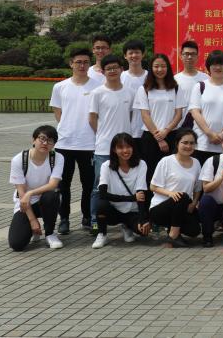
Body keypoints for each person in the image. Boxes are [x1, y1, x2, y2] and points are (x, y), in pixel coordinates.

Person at [49, 47, 102, 235]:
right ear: (71, 63)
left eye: (86, 62)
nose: (82, 65)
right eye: (78, 62)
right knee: (63, 185)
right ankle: (64, 219)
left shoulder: (98, 86)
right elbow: (58, 113)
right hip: (65, 143)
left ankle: (87, 217)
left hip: (89, 143)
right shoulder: (60, 87)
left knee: (89, 184)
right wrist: (68, 127)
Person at [89, 54, 136, 233]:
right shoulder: (97, 93)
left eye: (115, 67)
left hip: (125, 149)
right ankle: (95, 220)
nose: (112, 71)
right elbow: (92, 119)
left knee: (125, 185)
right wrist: (103, 135)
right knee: (98, 186)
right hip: (103, 148)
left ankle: (126, 221)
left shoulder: (130, 92)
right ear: (103, 72)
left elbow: (130, 116)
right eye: (108, 69)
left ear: (121, 69)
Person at [8, 126, 64, 251]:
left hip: (46, 200)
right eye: (42, 138)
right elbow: (22, 194)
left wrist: (31, 193)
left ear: (54, 144)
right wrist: (33, 221)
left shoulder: (57, 158)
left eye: (50, 141)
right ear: (33, 140)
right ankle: (33, 231)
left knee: (51, 195)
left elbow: (53, 184)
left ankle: (50, 234)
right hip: (25, 203)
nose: (45, 143)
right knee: (16, 244)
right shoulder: (19, 160)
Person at [134, 53, 185, 190]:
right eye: (156, 66)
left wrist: (166, 131)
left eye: (163, 66)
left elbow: (179, 114)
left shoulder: (176, 88)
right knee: (150, 173)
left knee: (171, 174)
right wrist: (159, 138)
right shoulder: (144, 89)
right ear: (151, 68)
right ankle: (150, 202)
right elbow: (145, 115)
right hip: (150, 138)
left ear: (168, 68)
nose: (160, 69)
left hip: (172, 135)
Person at [92, 133, 150, 249]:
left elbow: (141, 194)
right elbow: (103, 194)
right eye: (120, 147)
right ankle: (102, 234)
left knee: (144, 232)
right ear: (114, 150)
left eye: (128, 146)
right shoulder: (106, 166)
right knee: (101, 204)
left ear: (133, 147)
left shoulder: (141, 164)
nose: (125, 150)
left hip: (132, 211)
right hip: (114, 211)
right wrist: (131, 198)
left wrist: (142, 220)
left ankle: (127, 226)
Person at [149, 129, 202, 247]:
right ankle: (173, 236)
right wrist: (170, 193)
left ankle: (172, 230)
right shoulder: (166, 161)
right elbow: (153, 186)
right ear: (177, 143)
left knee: (194, 230)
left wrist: (194, 202)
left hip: (182, 208)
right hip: (160, 208)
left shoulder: (196, 163)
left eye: (192, 143)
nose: (188, 146)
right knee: (182, 196)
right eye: (185, 142)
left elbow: (198, 188)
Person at [188, 50, 223, 165]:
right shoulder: (200, 86)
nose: (218, 67)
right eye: (214, 64)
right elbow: (195, 112)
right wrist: (210, 134)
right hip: (202, 142)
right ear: (208, 67)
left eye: (221, 64)